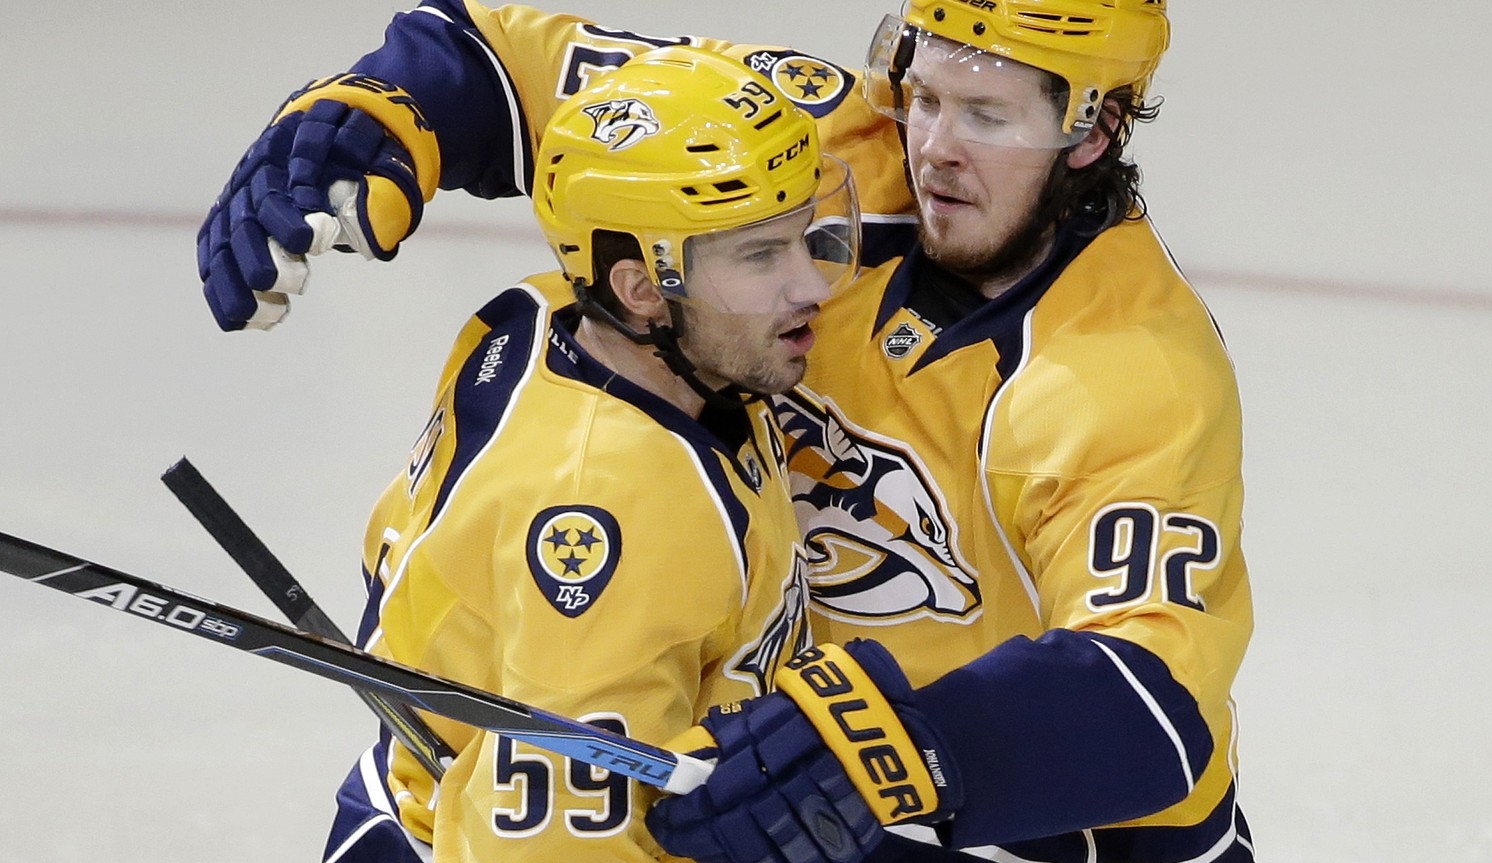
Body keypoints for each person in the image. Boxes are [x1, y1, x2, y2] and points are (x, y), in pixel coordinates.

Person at [197, 2, 1256, 861]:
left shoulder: (1125, 369)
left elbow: (1149, 696)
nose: (931, 148)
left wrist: (889, 743)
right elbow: (512, 67)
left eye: (986, 118)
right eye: (923, 93)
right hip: (753, 753)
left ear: (1095, 128)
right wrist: (369, 112)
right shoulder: (810, 144)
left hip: (1014, 824)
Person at [307, 45, 862, 862]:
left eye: (801, 237)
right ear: (642, 289)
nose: (809, 284)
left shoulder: (539, 316)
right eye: (759, 255)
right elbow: (555, 843)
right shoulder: (621, 506)